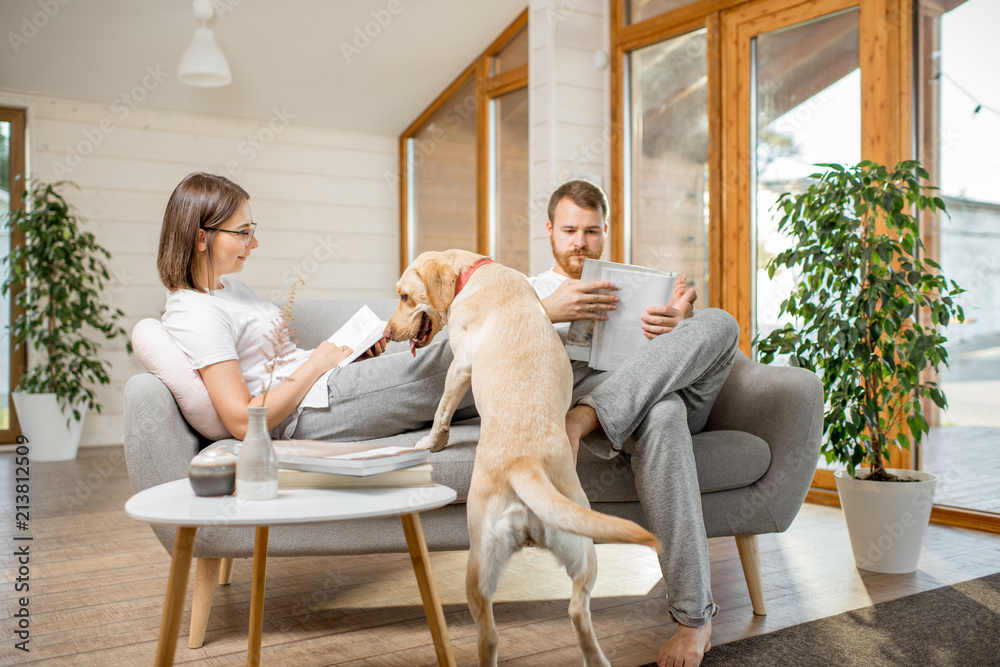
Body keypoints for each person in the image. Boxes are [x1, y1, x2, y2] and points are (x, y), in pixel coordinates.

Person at [528, 180, 740, 667]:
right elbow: (492, 343)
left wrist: (678, 323)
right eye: (569, 230)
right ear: (550, 231)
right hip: (609, 397)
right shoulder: (531, 289)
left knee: (721, 322)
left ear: (605, 232)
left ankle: (585, 418)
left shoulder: (641, 287)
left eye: (591, 231)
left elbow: (688, 351)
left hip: (652, 383)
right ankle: (694, 620)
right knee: (664, 417)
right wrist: (546, 312)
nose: (580, 241)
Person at [157, 172, 476, 442]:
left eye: (252, 231)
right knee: (460, 356)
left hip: (325, 385)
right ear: (201, 238)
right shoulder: (193, 313)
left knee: (476, 385)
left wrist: (348, 357)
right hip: (310, 409)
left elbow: (280, 363)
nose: (253, 243)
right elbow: (242, 422)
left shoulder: (231, 289)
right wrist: (317, 363)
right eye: (243, 233)